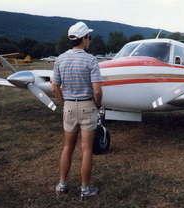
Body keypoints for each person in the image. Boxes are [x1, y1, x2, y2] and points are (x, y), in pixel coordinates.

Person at [52, 21, 103, 199]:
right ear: (83, 38)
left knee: (67, 147)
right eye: (89, 36)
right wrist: (98, 104)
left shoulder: (60, 59)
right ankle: (85, 189)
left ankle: (62, 184)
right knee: (87, 149)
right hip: (87, 106)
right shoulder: (91, 60)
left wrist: (62, 101)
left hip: (69, 106)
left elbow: (55, 85)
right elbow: (97, 90)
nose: (90, 39)